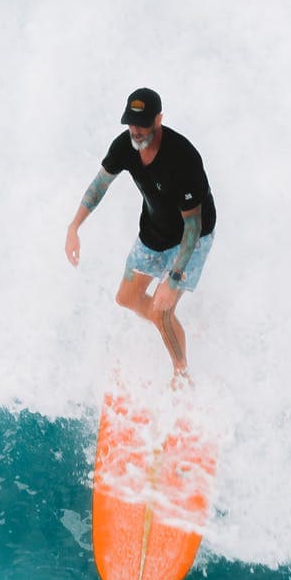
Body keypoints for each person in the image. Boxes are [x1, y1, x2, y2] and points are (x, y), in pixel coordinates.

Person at [65, 87, 216, 381]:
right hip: (155, 231)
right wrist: (74, 227)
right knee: (126, 298)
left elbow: (193, 226)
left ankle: (182, 376)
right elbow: (99, 186)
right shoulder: (125, 145)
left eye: (143, 123)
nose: (136, 131)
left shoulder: (183, 157)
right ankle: (172, 324)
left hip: (192, 237)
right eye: (131, 123)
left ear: (159, 119)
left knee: (162, 311)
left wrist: (173, 280)